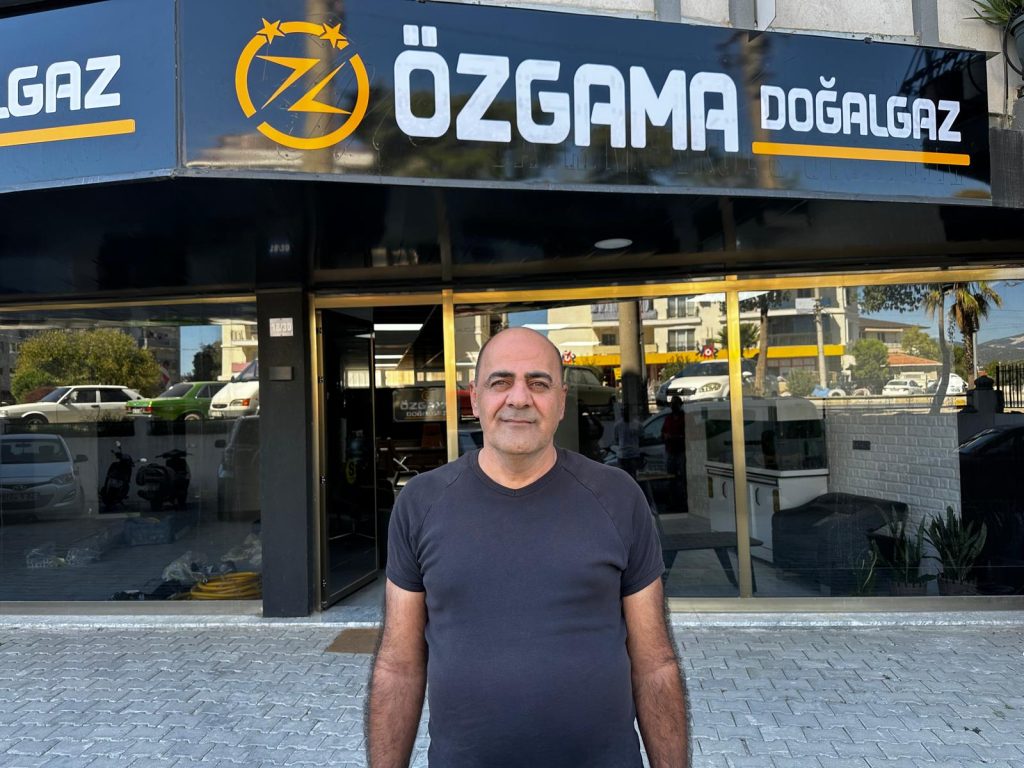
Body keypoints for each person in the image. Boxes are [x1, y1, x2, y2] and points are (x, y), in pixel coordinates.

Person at [366, 327, 690, 768]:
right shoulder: (421, 503)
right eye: (500, 382)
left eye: (538, 383)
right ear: (475, 398)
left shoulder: (617, 497)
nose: (519, 398)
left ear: (561, 401)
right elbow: (398, 667)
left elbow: (655, 663)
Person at [660, 396, 688, 514]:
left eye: (675, 404)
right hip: (670, 452)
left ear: (680, 405)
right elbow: (662, 433)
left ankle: (684, 502)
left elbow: (689, 434)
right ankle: (672, 502)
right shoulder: (668, 418)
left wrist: (676, 437)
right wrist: (665, 436)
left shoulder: (685, 418)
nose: (673, 406)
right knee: (671, 478)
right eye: (672, 404)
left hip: (681, 452)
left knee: (683, 478)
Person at [613, 400, 644, 478]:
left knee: (633, 476)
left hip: (633, 455)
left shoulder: (637, 425)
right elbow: (617, 439)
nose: (623, 412)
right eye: (622, 410)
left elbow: (641, 438)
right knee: (623, 477)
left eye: (625, 410)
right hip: (622, 455)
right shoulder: (617, 425)